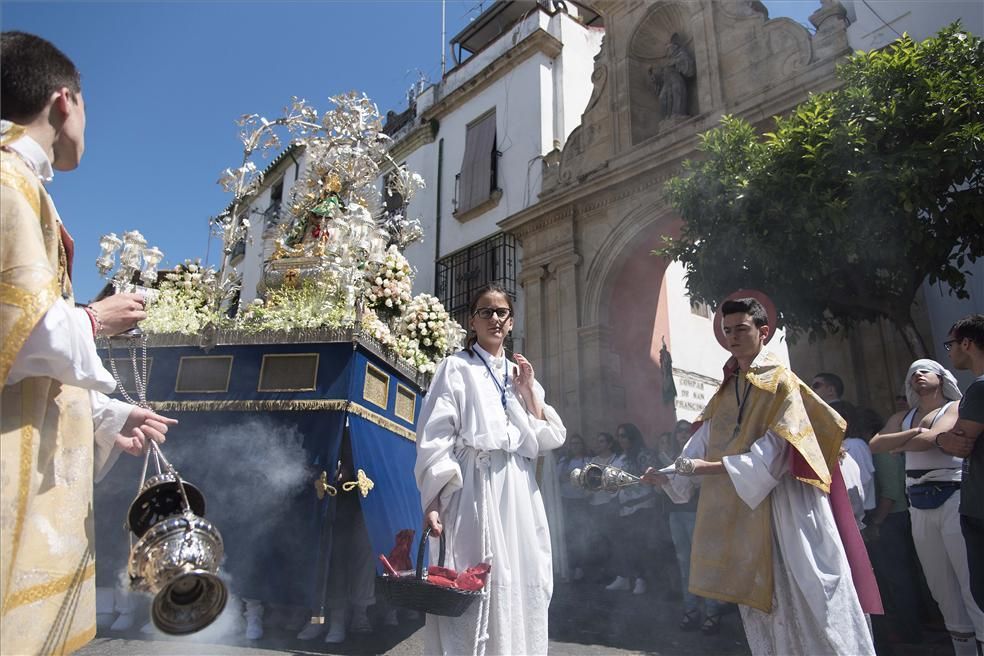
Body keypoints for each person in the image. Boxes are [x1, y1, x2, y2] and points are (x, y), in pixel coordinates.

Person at [0, 31, 176, 655]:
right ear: (63, 101)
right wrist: (95, 320)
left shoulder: (30, 191)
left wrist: (108, 415)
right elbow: (12, 331)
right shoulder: (6, 184)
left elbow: (33, 359)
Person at [644, 297, 876, 655]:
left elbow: (776, 453)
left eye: (741, 329)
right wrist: (671, 474)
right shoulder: (727, 389)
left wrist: (712, 469)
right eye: (727, 331)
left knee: (813, 601)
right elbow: (703, 441)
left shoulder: (783, 383)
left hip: (789, 507)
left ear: (763, 332)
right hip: (746, 508)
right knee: (765, 610)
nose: (732, 337)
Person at [415, 282, 566, 655]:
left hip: (517, 487)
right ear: (473, 321)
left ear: (511, 322)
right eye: (486, 311)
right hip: (474, 486)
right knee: (471, 575)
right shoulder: (455, 368)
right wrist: (433, 499)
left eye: (502, 312)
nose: (495, 318)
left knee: (523, 572)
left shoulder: (520, 376)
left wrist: (529, 391)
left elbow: (549, 436)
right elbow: (435, 435)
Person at [870, 359, 984, 655]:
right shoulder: (903, 416)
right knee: (940, 586)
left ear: (941, 377)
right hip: (918, 502)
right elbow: (876, 444)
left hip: (953, 496)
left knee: (971, 581)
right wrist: (913, 434)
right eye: (912, 373)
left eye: (924, 370)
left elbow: (932, 440)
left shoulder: (955, 408)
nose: (917, 375)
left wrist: (903, 441)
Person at [857, 407, 923, 646]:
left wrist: (876, 523)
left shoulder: (882, 452)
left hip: (890, 520)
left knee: (897, 580)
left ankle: (910, 635)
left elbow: (891, 493)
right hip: (893, 519)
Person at [662, 419, 729, 635]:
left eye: (686, 430)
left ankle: (712, 611)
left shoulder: (703, 452)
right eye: (679, 430)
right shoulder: (672, 454)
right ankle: (691, 610)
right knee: (684, 564)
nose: (682, 433)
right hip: (676, 514)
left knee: (704, 563)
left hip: (700, 512)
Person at [939, 314, 984, 618]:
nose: (950, 351)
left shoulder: (979, 390)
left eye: (950, 344)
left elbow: (959, 442)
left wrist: (941, 438)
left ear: (966, 343)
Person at [604, 423, 658, 595]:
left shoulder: (644, 456)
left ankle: (641, 579)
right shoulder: (620, 458)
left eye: (624, 436)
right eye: (619, 436)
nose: (621, 439)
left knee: (639, 545)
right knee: (623, 545)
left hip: (642, 508)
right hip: (623, 508)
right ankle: (624, 577)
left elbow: (651, 481)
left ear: (632, 437)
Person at [557, 434, 590, 582]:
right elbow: (558, 477)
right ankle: (571, 566)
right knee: (568, 535)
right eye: (572, 444)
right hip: (566, 500)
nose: (575, 446)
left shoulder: (587, 461)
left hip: (581, 501)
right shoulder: (564, 461)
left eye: (577, 443)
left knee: (581, 535)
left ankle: (581, 568)